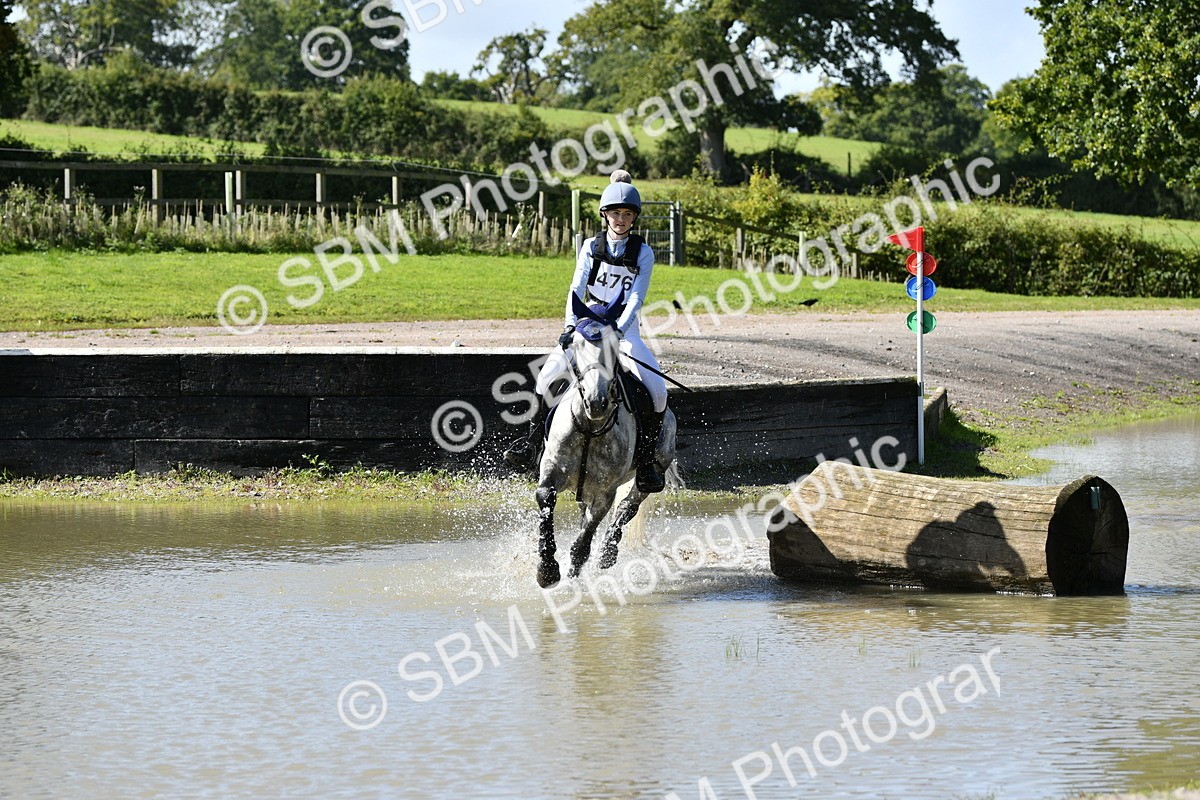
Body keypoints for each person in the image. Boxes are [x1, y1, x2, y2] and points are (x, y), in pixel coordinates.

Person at [504, 171, 669, 492]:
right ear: (604, 215)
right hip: (588, 326)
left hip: (625, 331)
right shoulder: (591, 248)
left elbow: (636, 297)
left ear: (634, 218)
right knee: (545, 377)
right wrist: (569, 325)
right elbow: (576, 287)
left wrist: (619, 331)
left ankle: (647, 461)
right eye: (615, 213)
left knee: (659, 392)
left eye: (627, 214)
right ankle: (532, 444)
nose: (620, 220)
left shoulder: (643, 253)